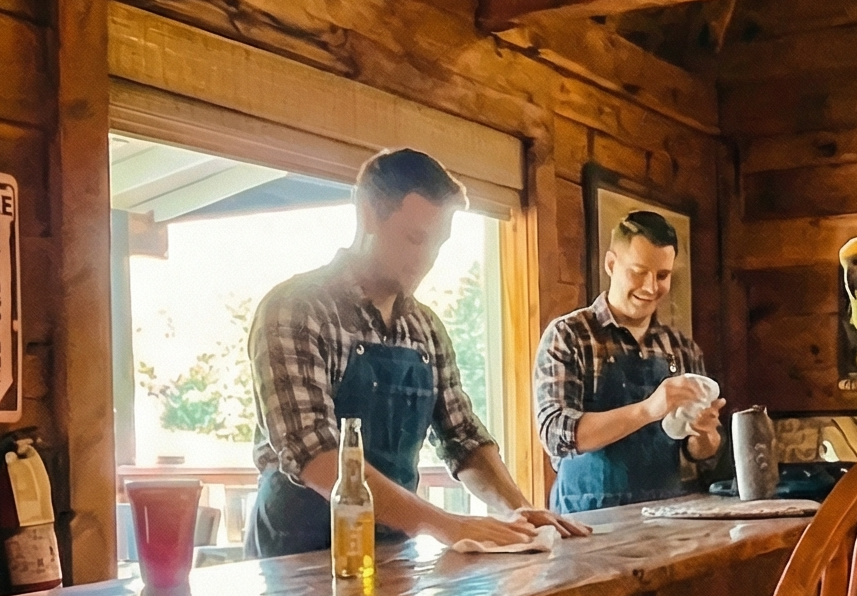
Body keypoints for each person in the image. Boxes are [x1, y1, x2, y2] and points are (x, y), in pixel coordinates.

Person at [246, 147, 584, 557]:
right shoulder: (295, 309)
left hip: (391, 552)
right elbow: (315, 457)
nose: (426, 259)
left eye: (438, 243)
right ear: (368, 214)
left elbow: (464, 438)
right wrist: (447, 524)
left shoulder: (424, 328)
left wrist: (521, 510)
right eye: (414, 238)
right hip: (298, 555)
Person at [533, 207, 724, 514]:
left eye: (662, 276)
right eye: (638, 272)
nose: (651, 287)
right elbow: (556, 434)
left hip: (668, 518)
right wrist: (648, 409)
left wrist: (705, 435)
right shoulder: (569, 335)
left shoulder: (681, 347)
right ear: (611, 264)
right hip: (586, 521)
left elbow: (701, 455)